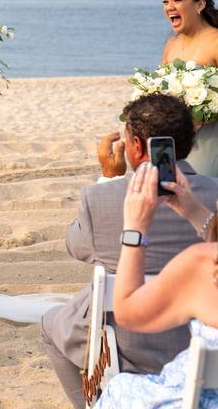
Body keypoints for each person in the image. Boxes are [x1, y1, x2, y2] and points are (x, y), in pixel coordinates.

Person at [40, 93, 218, 409]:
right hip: (201, 359)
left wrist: (110, 183)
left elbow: (76, 246)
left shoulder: (102, 198)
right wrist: (194, 210)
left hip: (130, 348)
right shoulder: (214, 195)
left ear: (135, 146)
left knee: (53, 323)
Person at [93, 162, 218, 407]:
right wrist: (193, 211)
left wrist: (135, 228)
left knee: (119, 388)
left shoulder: (205, 267)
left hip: (186, 400)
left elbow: (128, 313)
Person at [161, 0, 218, 176]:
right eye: (166, 1)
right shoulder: (171, 45)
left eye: (177, 0)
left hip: (209, 140)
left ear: (200, 4)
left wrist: (204, 115)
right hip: (172, 139)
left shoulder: (215, 41)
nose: (169, 7)